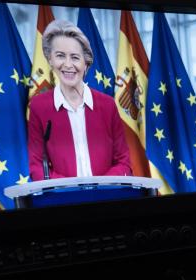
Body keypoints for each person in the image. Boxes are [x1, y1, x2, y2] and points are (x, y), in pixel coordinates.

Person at [27, 19, 132, 180]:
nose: (68, 64)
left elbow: (123, 163)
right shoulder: (39, 107)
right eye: (60, 56)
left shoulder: (107, 105)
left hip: (107, 197)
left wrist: (99, 187)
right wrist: (71, 191)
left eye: (75, 57)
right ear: (50, 60)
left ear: (86, 63)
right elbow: (36, 167)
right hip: (63, 201)